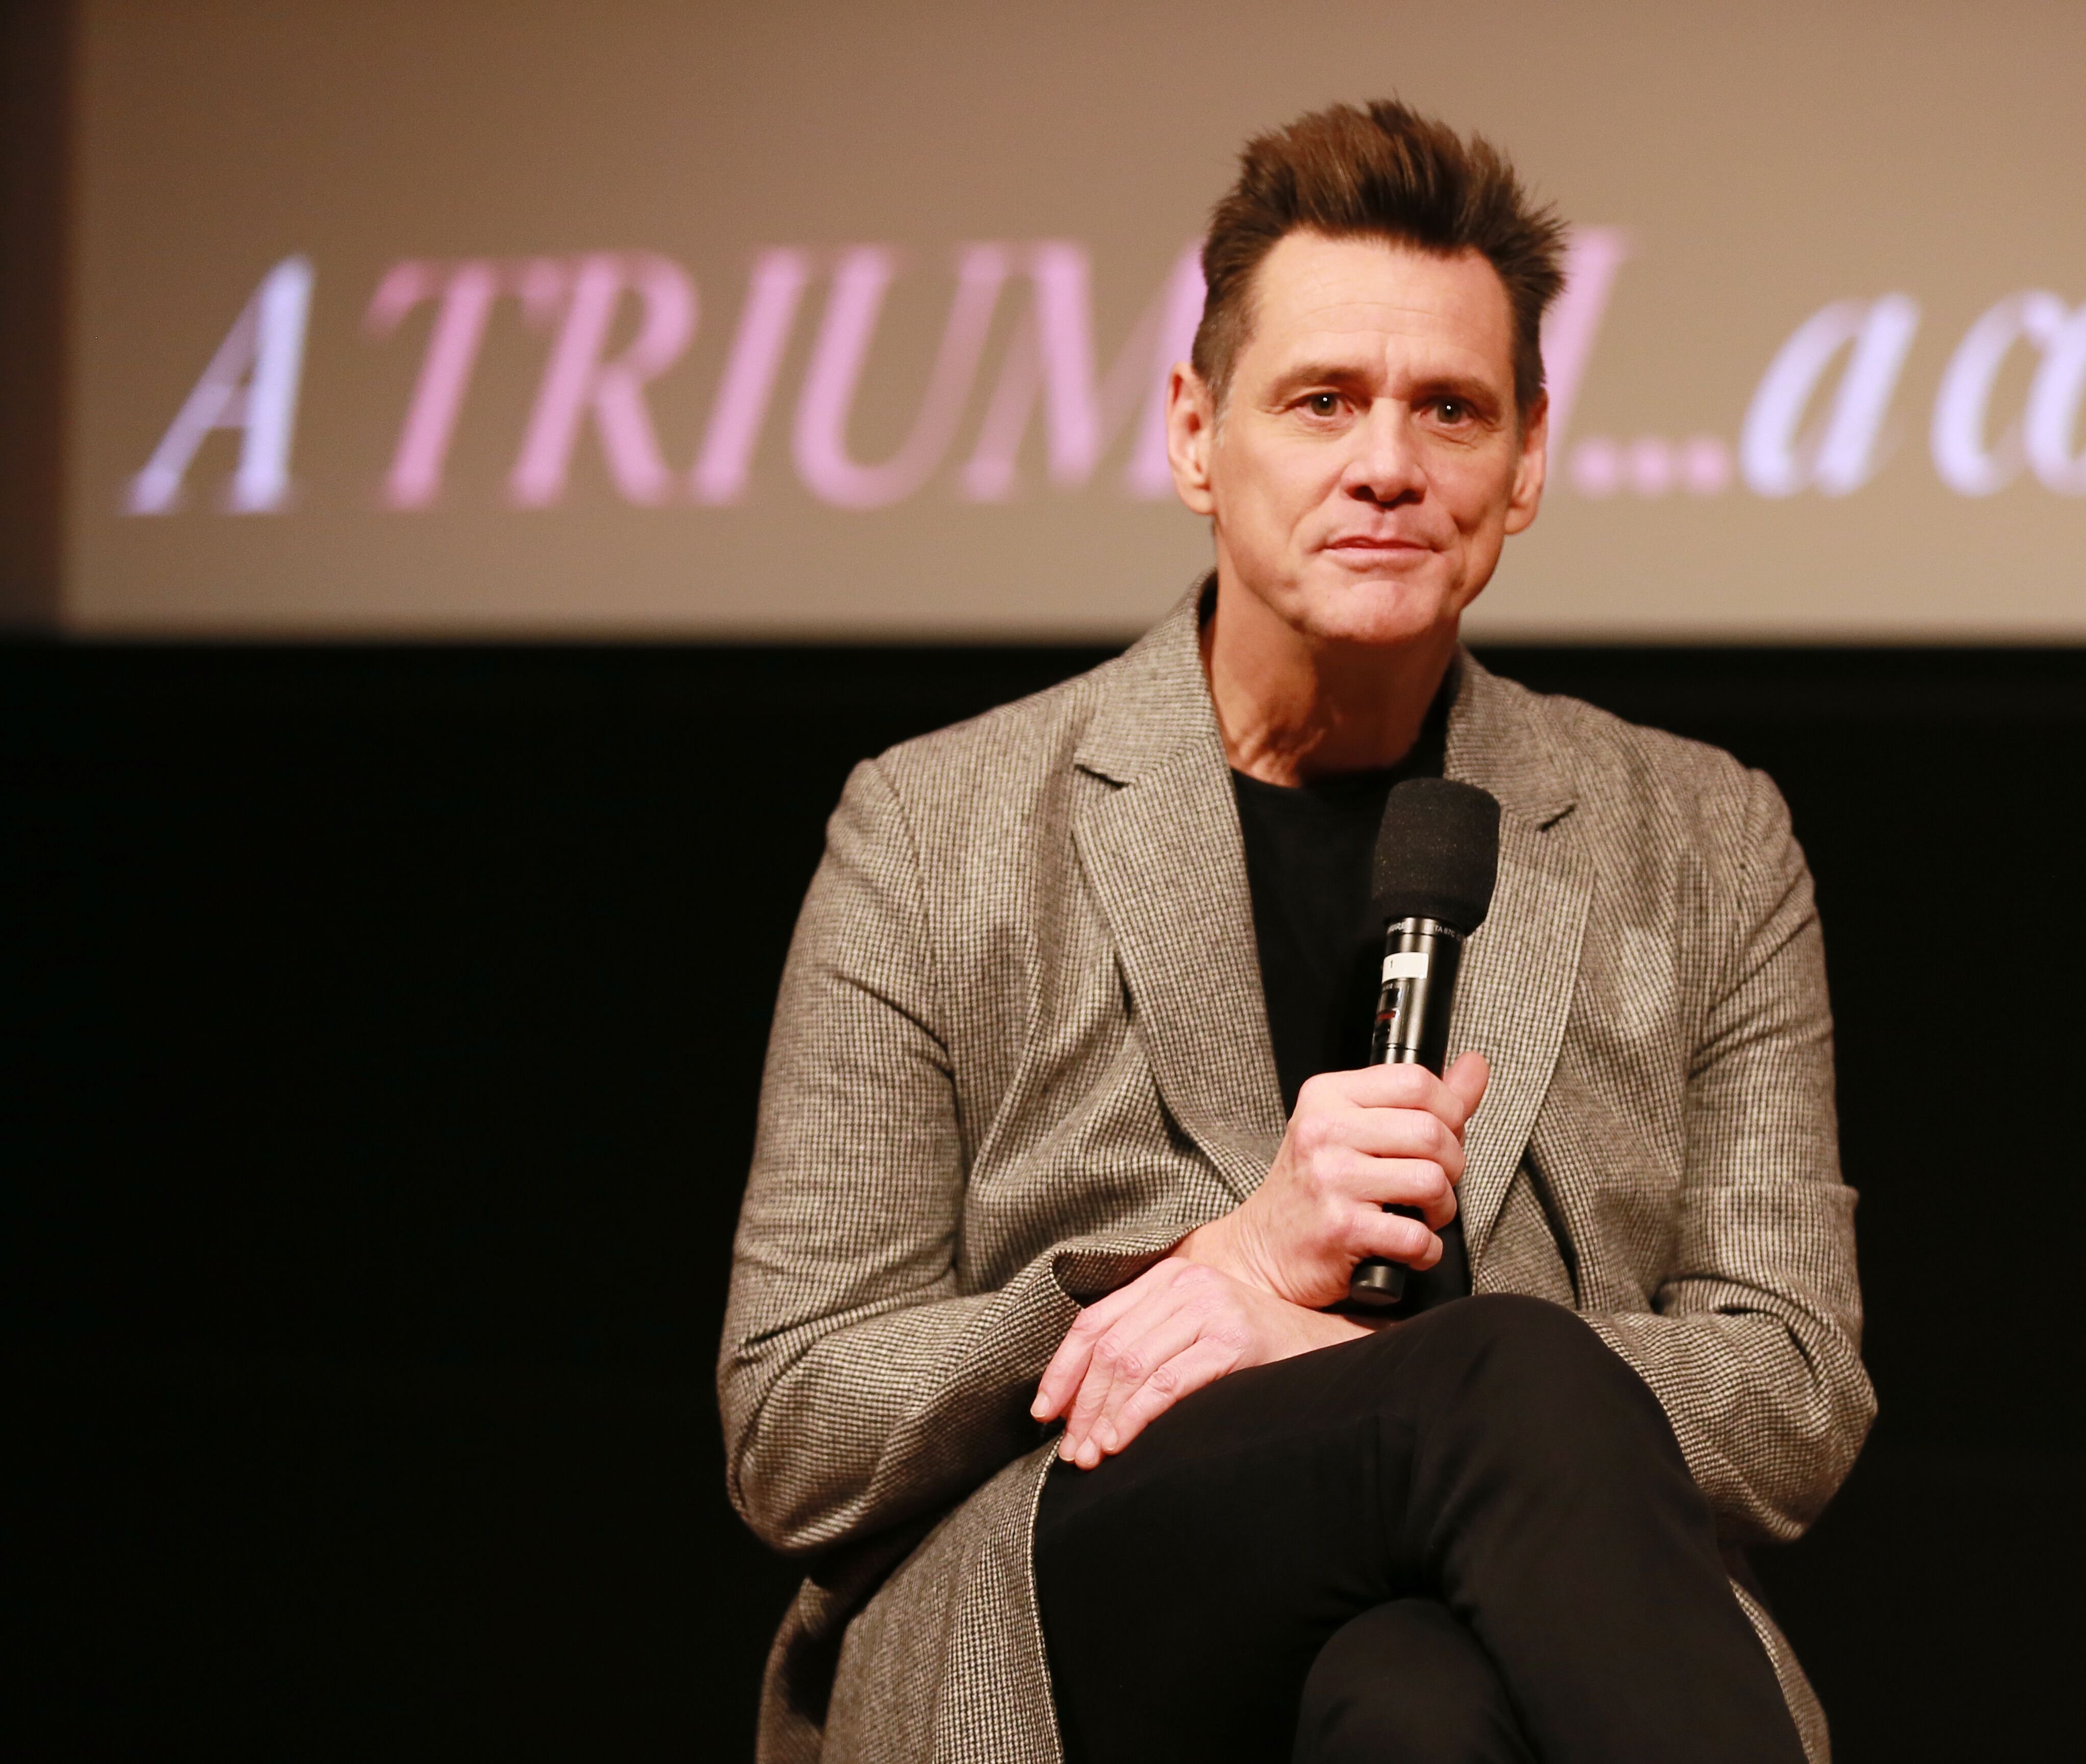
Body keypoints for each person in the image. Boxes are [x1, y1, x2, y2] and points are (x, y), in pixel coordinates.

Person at [717, 101, 1873, 1764]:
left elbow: (1790, 1397)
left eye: (1451, 409)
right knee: (1509, 1385)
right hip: (1073, 1606)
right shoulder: (933, 826)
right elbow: (796, 1426)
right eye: (1322, 400)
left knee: (1415, 1699)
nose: (1388, 461)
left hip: (1505, 1624)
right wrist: (1223, 1272)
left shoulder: (1703, 837)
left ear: (1528, 457)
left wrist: (1328, 1348)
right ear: (1197, 433)